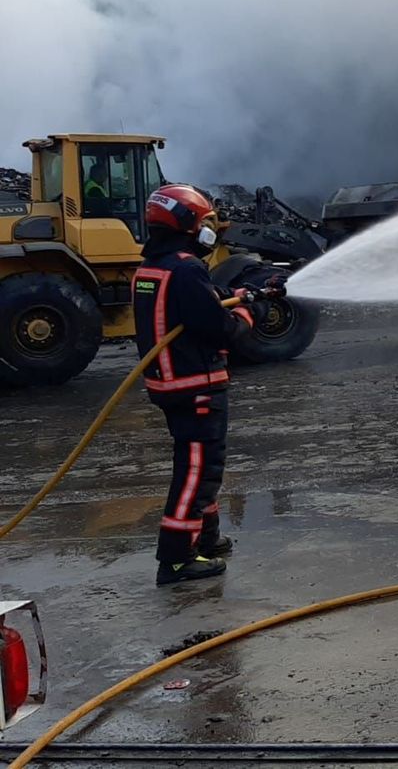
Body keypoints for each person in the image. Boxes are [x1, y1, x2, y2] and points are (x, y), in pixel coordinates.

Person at [134, 184, 281, 586]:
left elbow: (205, 302)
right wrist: (253, 313)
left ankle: (206, 539)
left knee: (203, 469)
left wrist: (243, 294)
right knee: (197, 470)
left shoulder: (156, 267)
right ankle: (178, 558)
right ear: (187, 225)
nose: (209, 229)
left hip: (172, 385)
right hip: (196, 385)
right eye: (204, 222)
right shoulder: (186, 269)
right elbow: (219, 328)